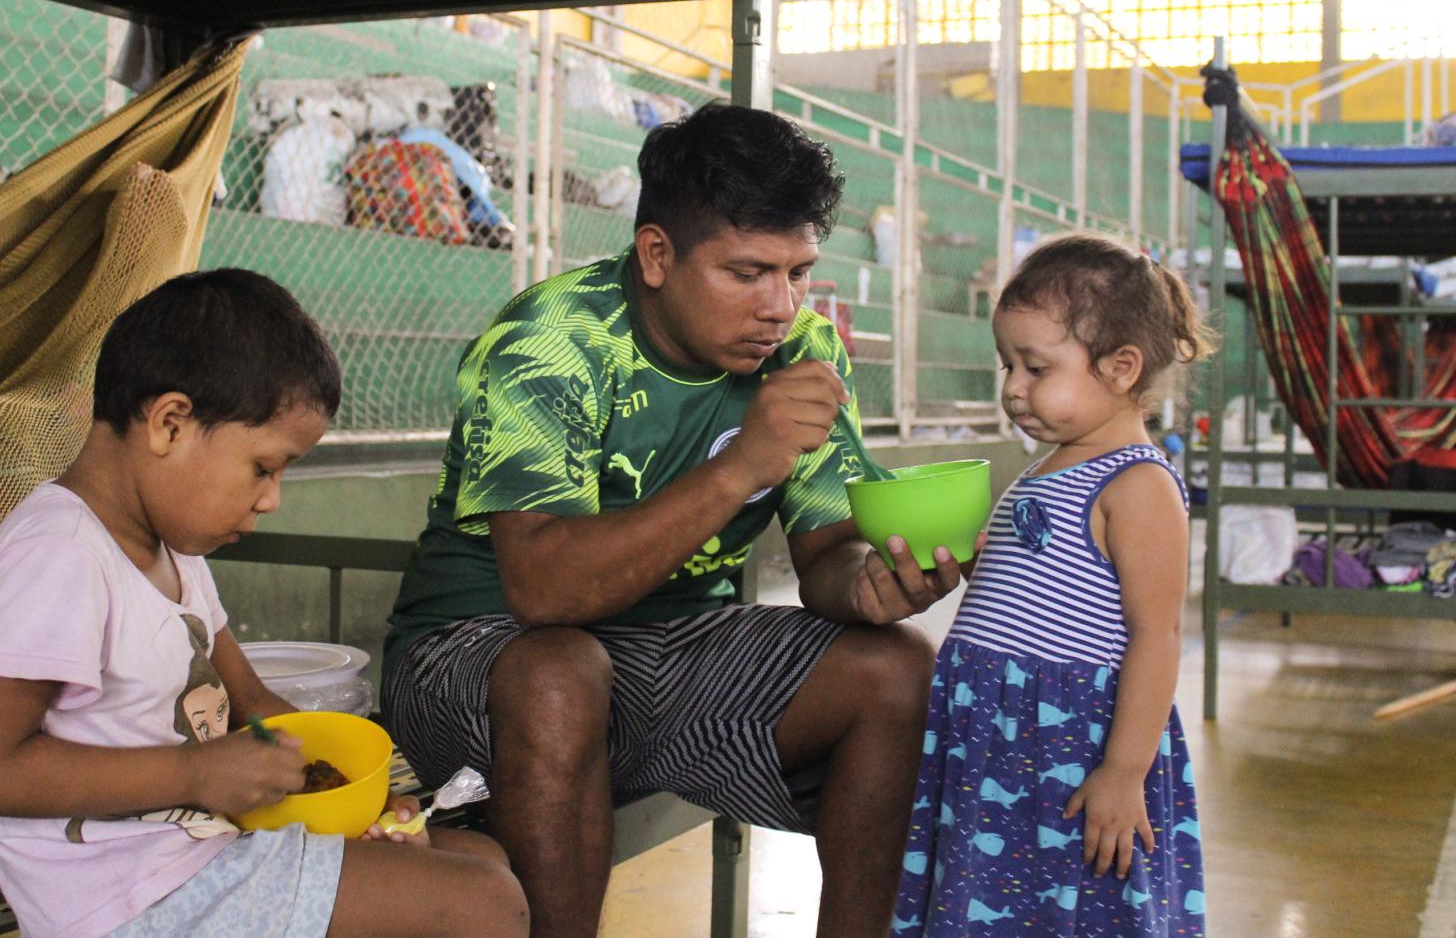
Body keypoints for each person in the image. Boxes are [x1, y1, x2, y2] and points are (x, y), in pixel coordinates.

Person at [384, 103, 969, 937]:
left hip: (668, 658)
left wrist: (873, 587)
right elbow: (544, 592)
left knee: (896, 669)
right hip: (480, 651)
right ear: (657, 254)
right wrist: (741, 466)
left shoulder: (804, 349)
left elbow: (827, 556)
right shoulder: (550, 339)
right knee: (559, 672)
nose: (781, 305)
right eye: (747, 272)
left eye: (798, 272)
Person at [0, 269, 527, 938]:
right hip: (133, 902)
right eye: (264, 467)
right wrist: (194, 772)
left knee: (483, 858)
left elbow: (252, 702)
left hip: (207, 857)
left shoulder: (177, 555)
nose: (272, 499)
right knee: (485, 905)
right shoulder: (60, 551)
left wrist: (353, 801)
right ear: (170, 424)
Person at [894, 234, 1211, 936]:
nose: (1012, 386)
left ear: (1122, 368)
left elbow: (1158, 635)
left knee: (1063, 907)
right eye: (1007, 364)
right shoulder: (1048, 466)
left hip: (1068, 747)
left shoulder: (1137, 483)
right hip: (997, 731)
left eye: (1036, 367)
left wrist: (1125, 772)